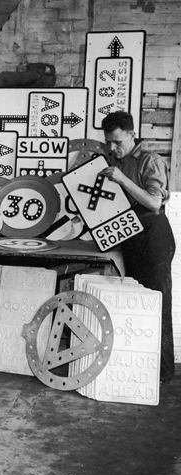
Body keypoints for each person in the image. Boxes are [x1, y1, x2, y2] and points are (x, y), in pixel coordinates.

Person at [100, 110, 176, 383]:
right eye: (109, 142)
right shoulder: (113, 159)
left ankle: (164, 373)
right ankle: (139, 366)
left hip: (154, 236)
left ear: (132, 134)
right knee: (135, 303)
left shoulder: (150, 161)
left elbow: (155, 202)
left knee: (158, 303)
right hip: (131, 236)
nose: (112, 148)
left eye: (118, 142)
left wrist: (122, 179)